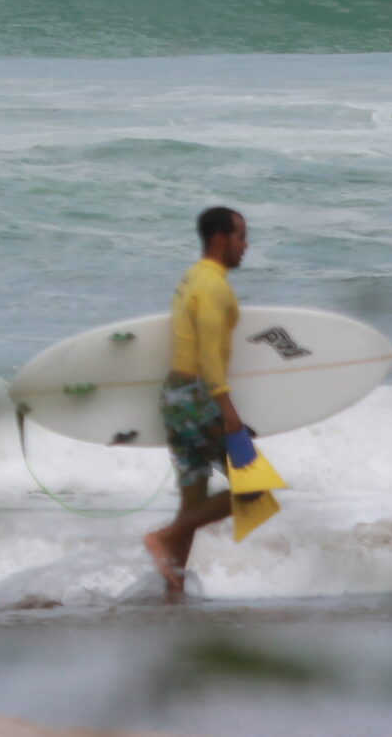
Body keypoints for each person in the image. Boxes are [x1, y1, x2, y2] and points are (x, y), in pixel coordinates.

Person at [142, 205, 252, 599]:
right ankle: (161, 538)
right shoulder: (213, 286)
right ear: (220, 239)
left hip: (175, 395)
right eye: (241, 237)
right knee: (254, 490)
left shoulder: (191, 278)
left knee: (193, 502)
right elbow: (208, 352)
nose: (246, 245)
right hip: (198, 396)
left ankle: (172, 584)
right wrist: (227, 409)